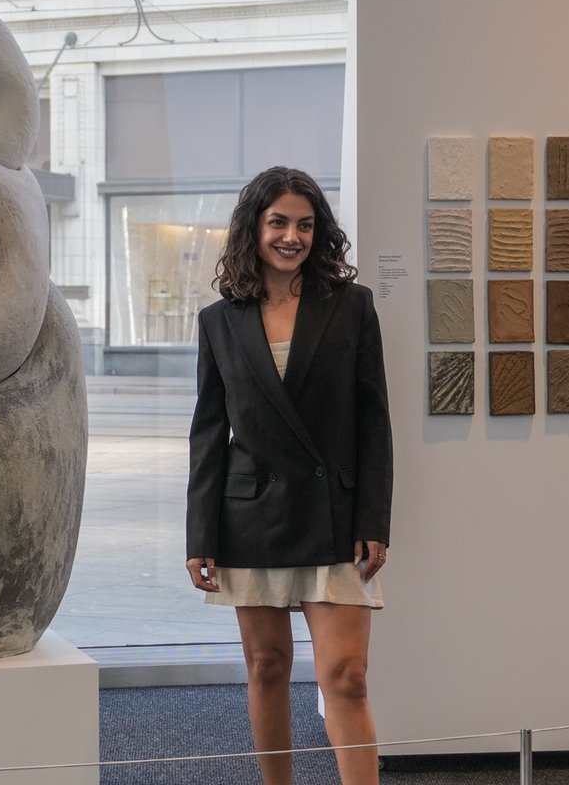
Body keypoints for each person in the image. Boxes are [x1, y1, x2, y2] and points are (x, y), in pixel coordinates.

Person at [185, 166, 393, 784]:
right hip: (251, 514)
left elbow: (373, 421)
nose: (291, 236)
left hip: (334, 513)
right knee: (269, 666)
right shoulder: (219, 321)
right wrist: (200, 536)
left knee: (347, 676)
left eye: (305, 225)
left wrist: (373, 518)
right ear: (254, 227)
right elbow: (208, 436)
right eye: (278, 222)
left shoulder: (351, 307)